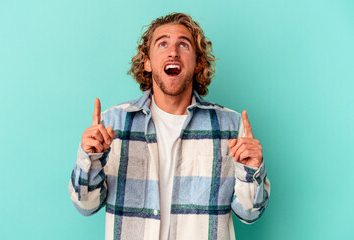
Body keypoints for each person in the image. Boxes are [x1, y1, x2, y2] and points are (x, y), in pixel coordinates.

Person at [69, 12, 270, 240]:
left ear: (197, 64)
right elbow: (85, 205)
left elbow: (250, 213)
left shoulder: (231, 127)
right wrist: (90, 159)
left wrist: (252, 170)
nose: (173, 51)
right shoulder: (113, 124)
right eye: (162, 43)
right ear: (147, 62)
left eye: (183, 45)